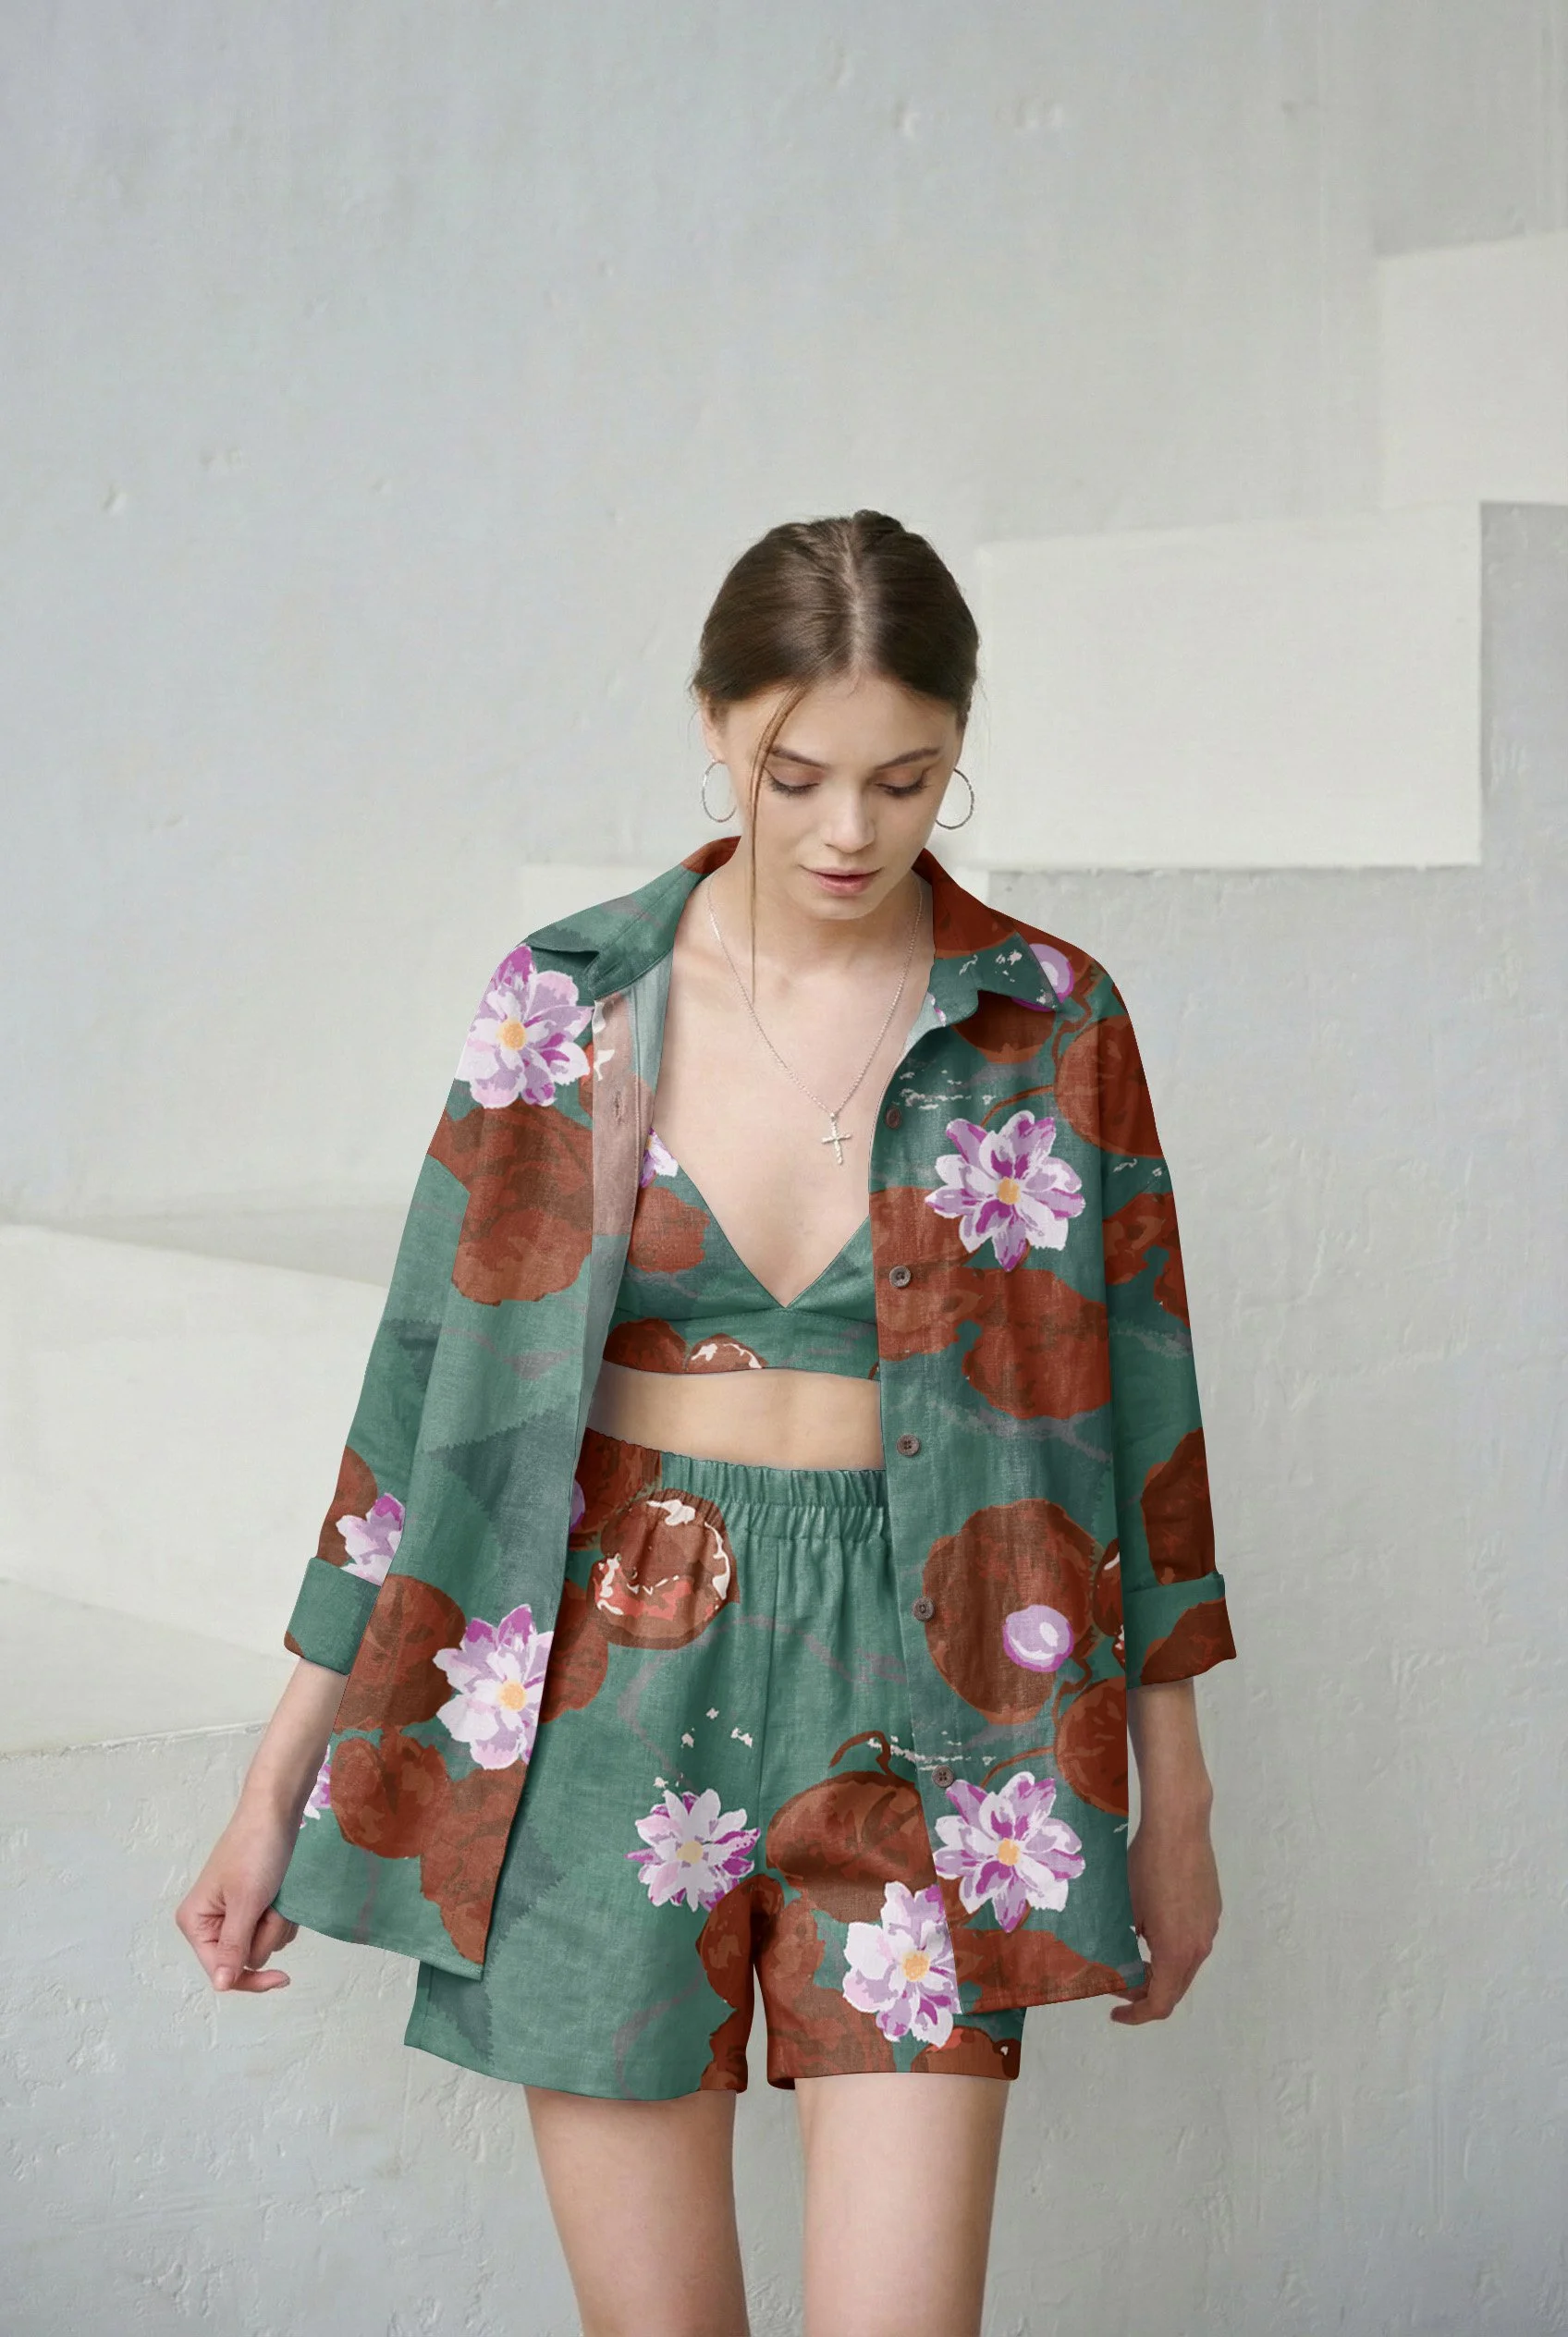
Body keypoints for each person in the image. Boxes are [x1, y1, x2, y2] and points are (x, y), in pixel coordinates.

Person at [177, 509, 1236, 2337]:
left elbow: (1142, 1416)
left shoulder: (1045, 1019)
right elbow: (421, 1404)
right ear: (712, 721)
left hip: (937, 1696)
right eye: (795, 773)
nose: (846, 832)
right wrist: (275, 1784)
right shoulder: (569, 1002)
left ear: (956, 754)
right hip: (605, 1691)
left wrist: (1177, 1792)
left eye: (904, 781)